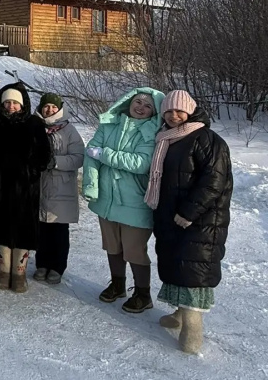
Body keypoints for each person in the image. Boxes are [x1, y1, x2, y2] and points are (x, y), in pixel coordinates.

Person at [146, 90, 232, 354]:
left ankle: (193, 328)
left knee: (193, 272)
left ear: (191, 111)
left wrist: (188, 213)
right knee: (177, 266)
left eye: (179, 111)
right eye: (169, 111)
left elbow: (214, 181)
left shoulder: (207, 139)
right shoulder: (167, 138)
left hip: (199, 220)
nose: (174, 115)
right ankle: (180, 314)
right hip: (172, 216)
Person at [82, 87, 164, 313]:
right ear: (128, 102)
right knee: (112, 246)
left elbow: (140, 164)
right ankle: (117, 284)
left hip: (135, 201)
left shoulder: (151, 132)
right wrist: (91, 185)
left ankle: (142, 294)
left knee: (134, 249)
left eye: (148, 106)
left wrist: (105, 155)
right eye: (138, 102)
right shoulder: (109, 124)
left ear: (153, 112)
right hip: (107, 199)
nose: (141, 108)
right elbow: (90, 152)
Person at [0, 82, 52, 293]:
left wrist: (32, 169)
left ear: (22, 105)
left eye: (15, 103)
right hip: (0, 184)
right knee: (1, 225)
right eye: (7, 102)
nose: (11, 106)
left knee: (23, 227)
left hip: (25, 187)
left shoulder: (34, 123)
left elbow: (44, 154)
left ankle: (19, 272)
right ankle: (3, 270)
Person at [33, 93, 85, 284]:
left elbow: (79, 157)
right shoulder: (35, 127)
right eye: (46, 107)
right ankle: (41, 264)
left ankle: (57, 266)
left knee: (59, 231)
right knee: (41, 229)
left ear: (60, 108)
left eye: (53, 107)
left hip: (61, 187)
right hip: (39, 185)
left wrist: (55, 161)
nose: (49, 110)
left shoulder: (68, 130)